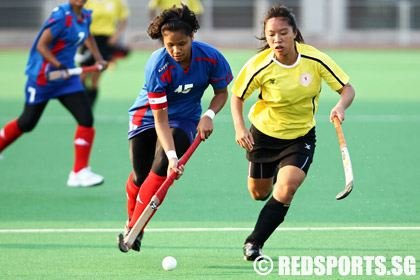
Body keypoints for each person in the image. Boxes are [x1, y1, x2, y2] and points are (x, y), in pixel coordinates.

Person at [230, 4, 355, 261]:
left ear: (295, 32)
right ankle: (276, 172)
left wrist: (340, 106)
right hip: (263, 135)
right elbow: (237, 96)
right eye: (271, 34)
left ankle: (254, 243)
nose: (277, 39)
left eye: (283, 32)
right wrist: (240, 127)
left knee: (287, 188)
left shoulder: (315, 59)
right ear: (265, 36)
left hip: (300, 137)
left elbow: (347, 88)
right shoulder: (259, 65)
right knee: (259, 194)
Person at [118, 4, 232, 252]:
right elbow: (160, 119)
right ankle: (132, 221)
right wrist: (173, 157)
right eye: (169, 45)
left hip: (185, 119)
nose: (176, 50)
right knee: (140, 176)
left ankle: (135, 229)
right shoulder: (157, 64)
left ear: (192, 36)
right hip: (148, 116)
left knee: (159, 168)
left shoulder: (211, 57)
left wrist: (209, 114)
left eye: (181, 43)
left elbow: (222, 92)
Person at [0, 0, 108, 187]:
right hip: (44, 78)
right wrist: (58, 65)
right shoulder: (61, 16)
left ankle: (79, 172)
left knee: (86, 119)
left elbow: (87, 35)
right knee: (27, 123)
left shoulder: (85, 16)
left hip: (67, 80)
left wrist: (99, 58)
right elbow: (42, 45)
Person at [78, 0, 130, 107]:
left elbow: (124, 20)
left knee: (95, 77)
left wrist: (116, 36)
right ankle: (82, 101)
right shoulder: (86, 2)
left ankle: (89, 107)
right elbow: (79, 20)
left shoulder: (115, 2)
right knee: (82, 76)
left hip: (106, 42)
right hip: (89, 39)